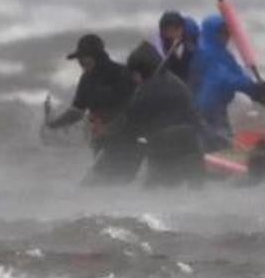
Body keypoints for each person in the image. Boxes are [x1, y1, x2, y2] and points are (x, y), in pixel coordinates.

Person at [96, 42, 205, 186]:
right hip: (191, 147)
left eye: (134, 74)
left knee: (155, 193)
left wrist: (104, 135)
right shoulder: (173, 81)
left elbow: (129, 124)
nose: (134, 79)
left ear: (141, 72)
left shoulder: (149, 92)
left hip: (168, 149)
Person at [190, 14, 265, 151]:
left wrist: (256, 91)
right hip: (206, 108)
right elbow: (222, 78)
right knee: (217, 142)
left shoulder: (223, 54)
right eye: (222, 32)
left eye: (228, 32)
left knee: (223, 140)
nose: (226, 36)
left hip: (219, 107)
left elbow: (237, 74)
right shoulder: (205, 52)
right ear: (212, 32)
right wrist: (250, 86)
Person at [46, 34, 136, 149]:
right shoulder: (86, 79)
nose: (80, 63)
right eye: (79, 59)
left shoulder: (122, 73)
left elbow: (133, 109)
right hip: (99, 141)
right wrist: (54, 124)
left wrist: (109, 127)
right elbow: (77, 112)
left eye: (83, 58)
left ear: (97, 56)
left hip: (126, 142)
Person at [154, 10, 198, 84]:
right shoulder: (158, 46)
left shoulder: (189, 45)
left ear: (182, 28)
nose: (172, 34)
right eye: (168, 30)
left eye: (176, 29)